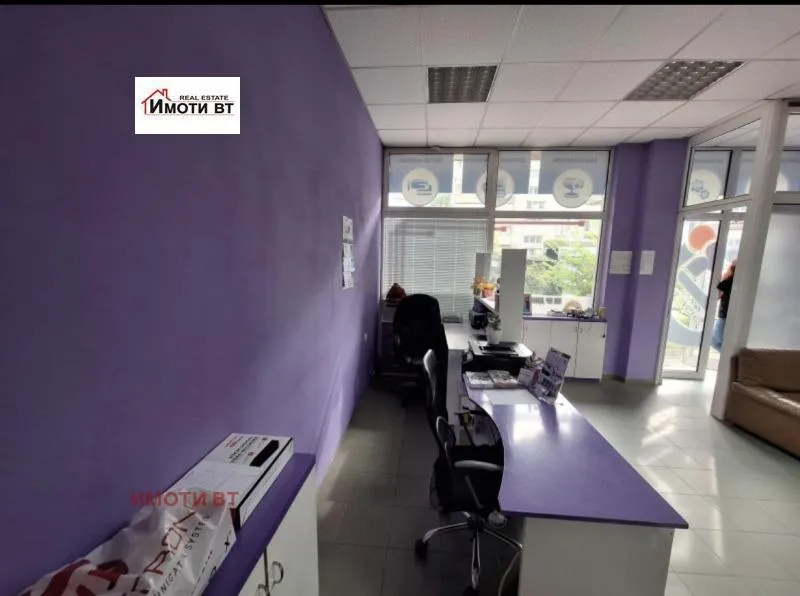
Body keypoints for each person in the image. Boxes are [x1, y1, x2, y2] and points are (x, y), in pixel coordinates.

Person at [711, 260, 736, 351]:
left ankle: (728, 356)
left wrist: (724, 277)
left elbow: (716, 296)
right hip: (729, 317)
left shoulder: (728, 281)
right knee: (716, 341)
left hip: (724, 316)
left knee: (715, 342)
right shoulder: (737, 282)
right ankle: (727, 356)